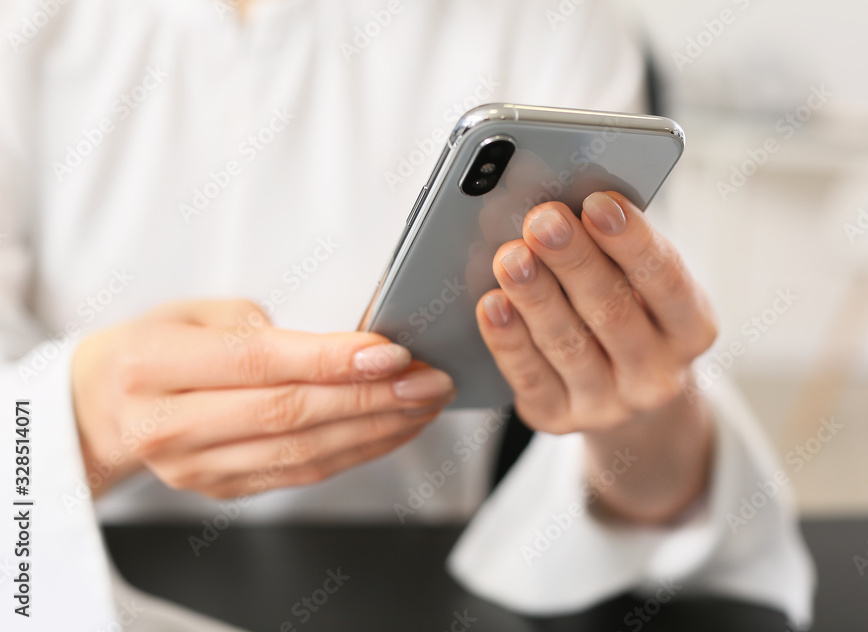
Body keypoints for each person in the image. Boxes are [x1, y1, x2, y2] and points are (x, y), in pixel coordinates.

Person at [0, 0, 813, 629]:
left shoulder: (547, 22)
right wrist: (74, 425)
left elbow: (661, 494)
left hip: (416, 598)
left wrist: (643, 420)